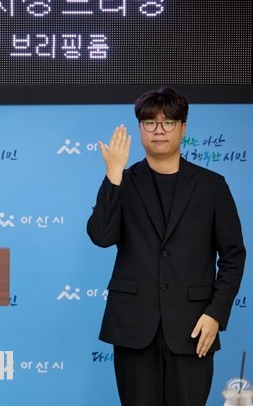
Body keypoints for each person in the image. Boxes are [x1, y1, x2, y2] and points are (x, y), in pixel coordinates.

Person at [86, 87, 246, 405]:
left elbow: (233, 255)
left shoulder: (212, 186)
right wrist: (113, 174)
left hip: (193, 327)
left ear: (183, 127)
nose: (158, 130)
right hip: (134, 327)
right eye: (150, 122)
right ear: (140, 128)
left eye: (168, 122)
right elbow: (101, 236)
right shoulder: (123, 182)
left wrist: (215, 314)